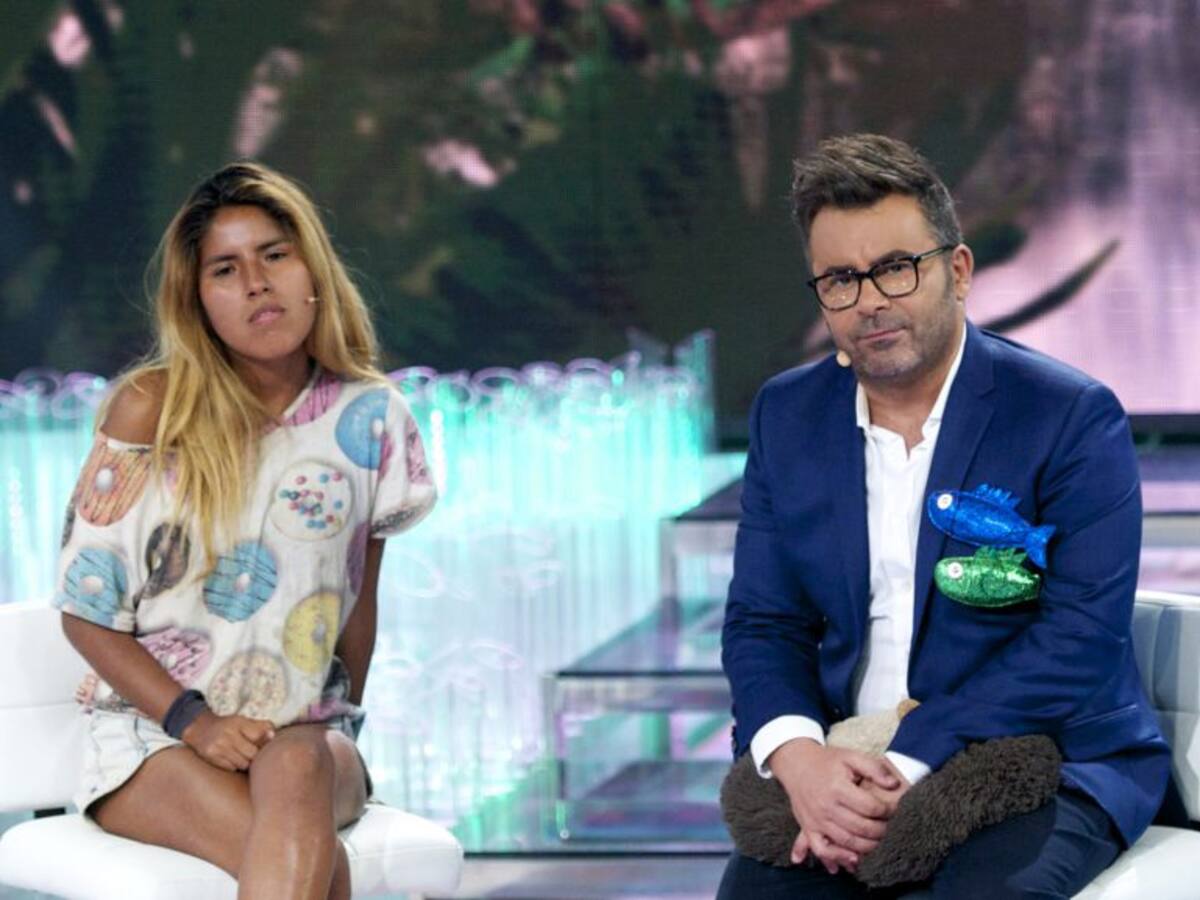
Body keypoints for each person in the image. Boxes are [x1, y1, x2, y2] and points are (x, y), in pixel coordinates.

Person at [717, 134, 1171, 899]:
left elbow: (1080, 639)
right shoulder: (787, 415)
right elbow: (764, 621)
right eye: (840, 279)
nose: (870, 300)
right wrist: (799, 757)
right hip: (846, 755)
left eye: (896, 267)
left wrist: (911, 756)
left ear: (957, 271)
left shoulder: (1067, 415)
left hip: (1044, 757)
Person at [54, 161, 436, 900]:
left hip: (308, 738)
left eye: (274, 255)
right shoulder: (151, 410)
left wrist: (329, 714)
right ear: (198, 302)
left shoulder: (372, 417)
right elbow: (86, 616)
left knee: (297, 764)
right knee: (319, 871)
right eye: (225, 270)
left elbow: (358, 605)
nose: (257, 283)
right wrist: (196, 722)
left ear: (312, 270)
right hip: (153, 738)